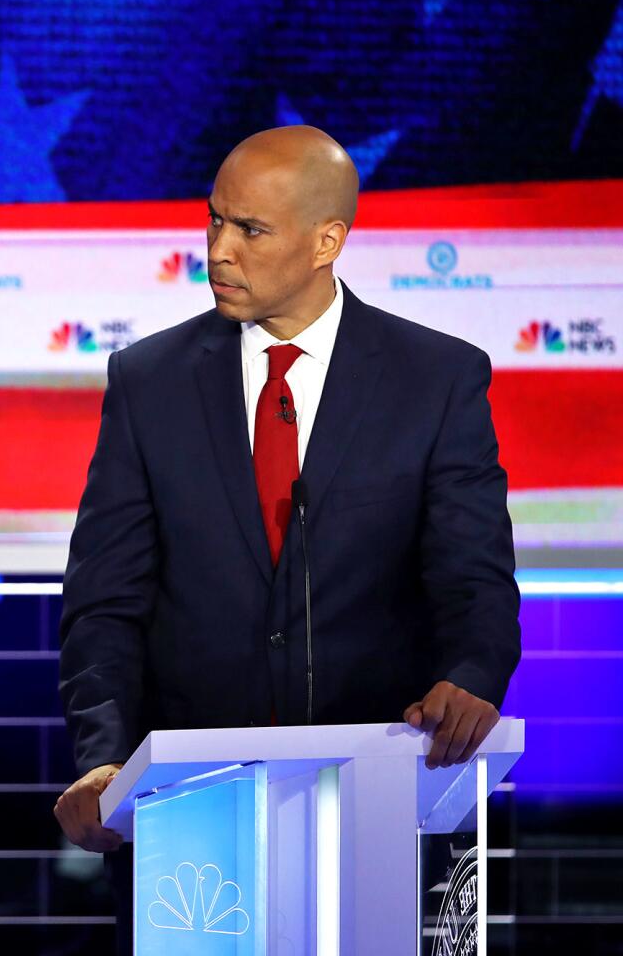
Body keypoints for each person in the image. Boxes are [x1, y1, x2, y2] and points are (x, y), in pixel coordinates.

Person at [53, 126, 520, 951]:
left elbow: (474, 579)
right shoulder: (149, 381)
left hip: (379, 799)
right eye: (214, 222)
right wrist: (103, 758)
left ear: (326, 241)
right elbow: (103, 606)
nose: (219, 250)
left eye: (251, 230)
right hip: (190, 822)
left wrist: (471, 674)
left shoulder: (436, 379)